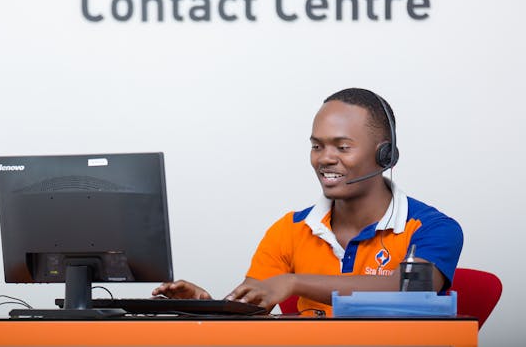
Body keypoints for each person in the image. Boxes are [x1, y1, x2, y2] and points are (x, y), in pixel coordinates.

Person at [152, 88, 463, 316]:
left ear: (385, 155)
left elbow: (410, 291)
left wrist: (294, 282)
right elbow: (250, 310)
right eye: (317, 146)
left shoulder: (433, 229)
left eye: (343, 147)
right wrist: (206, 306)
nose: (325, 158)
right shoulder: (290, 229)